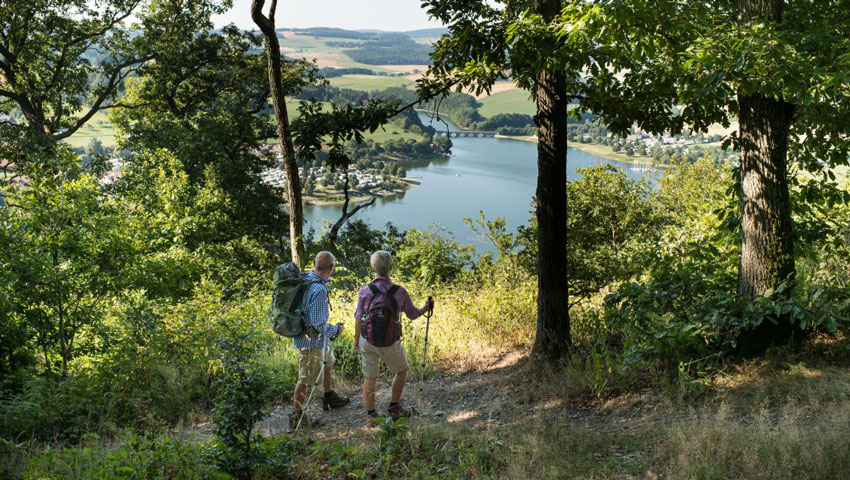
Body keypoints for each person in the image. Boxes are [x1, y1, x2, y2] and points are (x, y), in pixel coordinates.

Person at [354, 250, 434, 422]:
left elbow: (359, 317)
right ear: (391, 268)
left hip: (367, 340)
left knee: (370, 376)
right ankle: (394, 406)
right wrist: (426, 308)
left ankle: (371, 415)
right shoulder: (399, 291)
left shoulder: (365, 291)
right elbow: (412, 314)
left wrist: (356, 340)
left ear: (372, 267)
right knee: (402, 370)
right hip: (390, 341)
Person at [289, 251, 350, 429]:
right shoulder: (319, 290)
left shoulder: (306, 278)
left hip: (309, 338)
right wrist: (335, 330)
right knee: (305, 379)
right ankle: (298, 419)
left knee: (329, 361)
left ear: (315, 263)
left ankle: (328, 397)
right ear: (331, 269)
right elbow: (317, 323)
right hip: (311, 342)